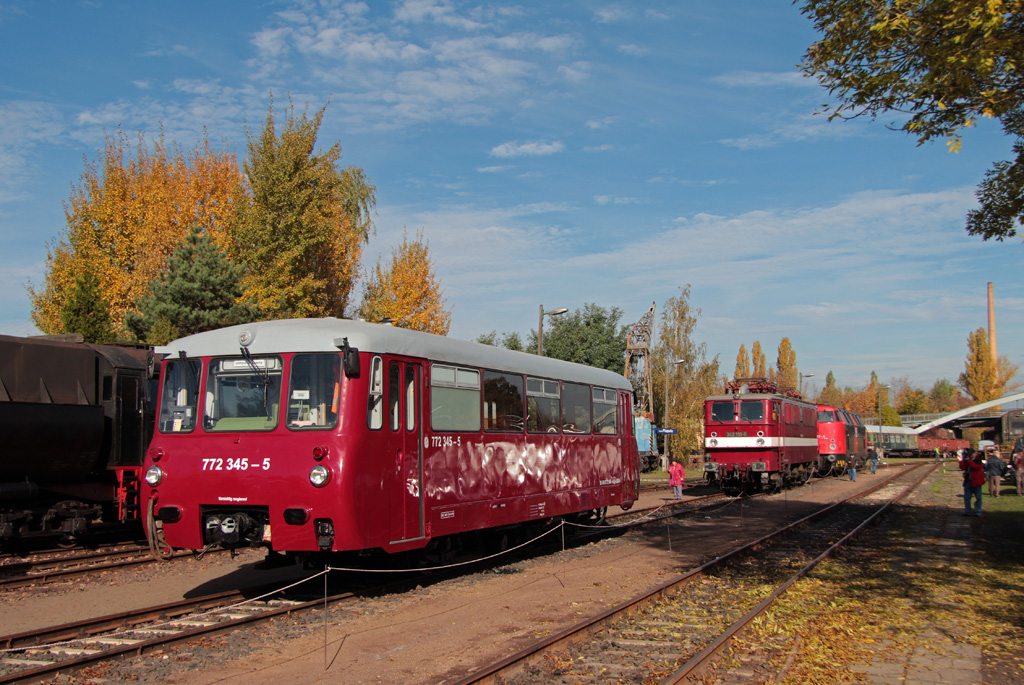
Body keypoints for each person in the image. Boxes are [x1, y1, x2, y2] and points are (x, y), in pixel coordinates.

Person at [959, 449, 985, 516]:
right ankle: (968, 512)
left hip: (977, 482)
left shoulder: (978, 460)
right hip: (968, 481)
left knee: (978, 498)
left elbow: (977, 467)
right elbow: (962, 467)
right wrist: (962, 460)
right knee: (967, 498)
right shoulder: (968, 460)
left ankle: (978, 512)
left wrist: (970, 461)